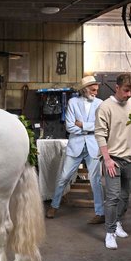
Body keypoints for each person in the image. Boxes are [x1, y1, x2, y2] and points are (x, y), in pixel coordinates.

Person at [46, 75, 105, 224]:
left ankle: (100, 212)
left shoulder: (101, 103)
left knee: (96, 180)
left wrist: (82, 125)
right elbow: (69, 126)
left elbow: (101, 126)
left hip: (93, 147)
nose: (95, 92)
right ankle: (54, 205)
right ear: (85, 89)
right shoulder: (73, 102)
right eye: (93, 90)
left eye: (97, 90)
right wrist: (89, 128)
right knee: (64, 177)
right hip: (75, 146)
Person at [94, 73, 131, 249]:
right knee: (112, 197)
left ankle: (118, 222)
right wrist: (107, 159)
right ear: (117, 88)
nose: (129, 94)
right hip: (113, 159)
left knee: (125, 196)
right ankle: (110, 232)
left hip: (130, 158)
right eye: (126, 90)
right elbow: (100, 134)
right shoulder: (105, 107)